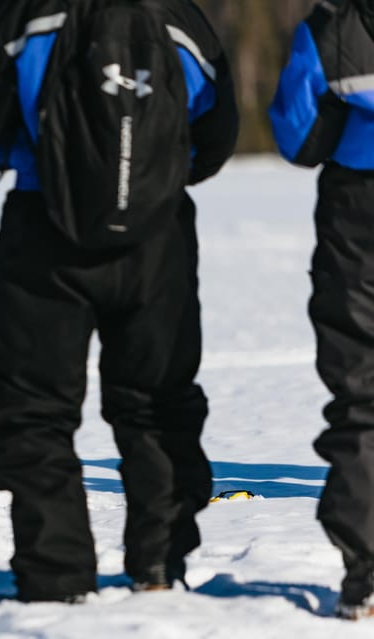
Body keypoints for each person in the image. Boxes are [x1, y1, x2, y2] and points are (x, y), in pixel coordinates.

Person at [0, 0, 238, 602]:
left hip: (44, 221)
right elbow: (218, 127)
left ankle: (55, 575)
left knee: (32, 405)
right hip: (159, 235)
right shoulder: (180, 16)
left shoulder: (21, 11)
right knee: (157, 401)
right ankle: (159, 565)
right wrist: (158, 176)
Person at [270, 0, 374, 621]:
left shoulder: (336, 23)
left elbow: (296, 133)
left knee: (361, 389)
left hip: (359, 206)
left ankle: (366, 570)